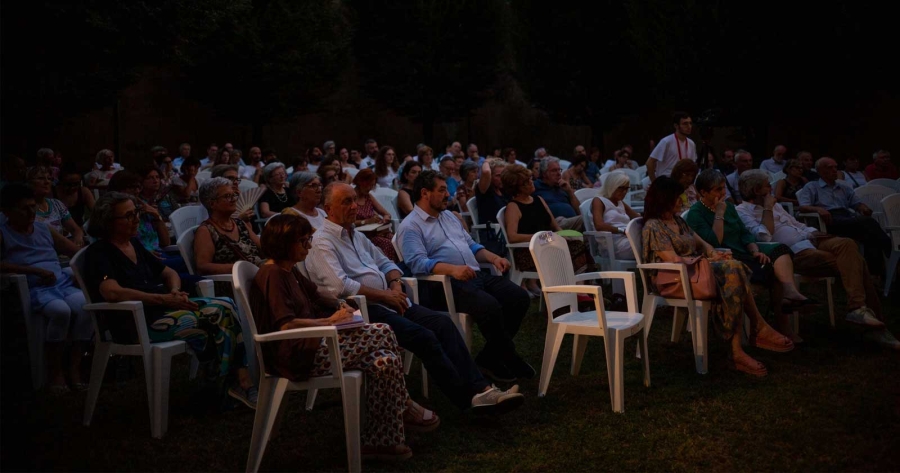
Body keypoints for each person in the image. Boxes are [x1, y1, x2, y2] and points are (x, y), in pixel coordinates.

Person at [307, 184, 524, 413]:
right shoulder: (323, 242)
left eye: (354, 200)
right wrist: (386, 295)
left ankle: (482, 388)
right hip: (361, 310)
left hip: (391, 299)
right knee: (424, 337)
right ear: (328, 208)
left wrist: (394, 283)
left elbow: (387, 263)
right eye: (346, 202)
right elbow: (341, 286)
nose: (354, 207)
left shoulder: (356, 236)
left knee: (443, 324)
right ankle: (468, 399)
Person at [252, 214, 441, 460]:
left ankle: (380, 441)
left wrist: (342, 305)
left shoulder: (289, 270)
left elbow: (318, 294)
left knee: (385, 360)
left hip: (313, 345)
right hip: (298, 354)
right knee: (382, 330)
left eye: (309, 239)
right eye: (303, 241)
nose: (309, 246)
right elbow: (285, 325)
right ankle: (404, 404)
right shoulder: (273, 275)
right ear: (283, 242)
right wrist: (329, 321)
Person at [84, 192, 256, 407]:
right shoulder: (99, 253)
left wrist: (174, 291)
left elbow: (168, 273)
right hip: (137, 322)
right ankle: (232, 383)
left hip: (161, 310)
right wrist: (163, 299)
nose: (137, 219)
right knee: (217, 316)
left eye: (136, 213)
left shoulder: (133, 245)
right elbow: (112, 292)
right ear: (107, 222)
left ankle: (228, 382)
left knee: (225, 304)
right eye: (128, 216)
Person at [642, 177, 793, 376]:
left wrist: (712, 253)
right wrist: (709, 262)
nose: (682, 200)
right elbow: (673, 260)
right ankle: (753, 333)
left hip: (694, 272)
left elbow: (703, 244)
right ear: (664, 198)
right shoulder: (654, 226)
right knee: (733, 271)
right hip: (673, 279)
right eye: (677, 197)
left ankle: (740, 347)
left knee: (734, 269)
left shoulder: (678, 221)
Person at [736, 170, 899, 348]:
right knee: (858, 264)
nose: (772, 187)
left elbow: (796, 223)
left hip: (810, 241)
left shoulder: (775, 205)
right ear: (757, 190)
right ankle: (865, 316)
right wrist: (767, 208)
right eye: (768, 184)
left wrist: (812, 232)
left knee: (846, 244)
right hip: (793, 254)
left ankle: (859, 310)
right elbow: (764, 237)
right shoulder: (742, 211)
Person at [398, 170, 533, 382]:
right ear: (425, 193)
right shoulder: (411, 225)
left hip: (474, 274)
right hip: (444, 285)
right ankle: (508, 357)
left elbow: (471, 245)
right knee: (490, 306)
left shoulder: (449, 216)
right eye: (442, 190)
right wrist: (452, 269)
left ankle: (490, 358)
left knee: (519, 298)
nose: (448, 195)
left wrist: (493, 257)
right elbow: (416, 263)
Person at [686, 169, 815, 339]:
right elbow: (714, 243)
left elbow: (744, 233)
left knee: (779, 249)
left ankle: (790, 295)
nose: (723, 193)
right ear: (703, 192)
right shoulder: (696, 213)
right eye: (718, 189)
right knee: (774, 273)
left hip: (744, 251)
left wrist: (754, 250)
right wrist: (719, 215)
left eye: (724, 188)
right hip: (725, 257)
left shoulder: (729, 207)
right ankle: (778, 326)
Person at [0, 183, 90, 393]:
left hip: (59, 281)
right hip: (35, 287)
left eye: (33, 207)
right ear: (7, 212)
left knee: (86, 307)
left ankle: (74, 368)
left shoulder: (42, 228)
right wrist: (33, 271)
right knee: (61, 311)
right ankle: (54, 372)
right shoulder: (4, 233)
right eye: (25, 208)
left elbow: (74, 252)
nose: (32, 212)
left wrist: (81, 271)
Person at [503, 165, 592, 296]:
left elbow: (555, 226)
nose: (531, 183)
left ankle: (580, 291)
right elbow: (512, 237)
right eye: (526, 182)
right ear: (517, 188)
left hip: (548, 242)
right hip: (529, 251)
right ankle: (579, 293)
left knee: (578, 244)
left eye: (530, 179)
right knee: (573, 249)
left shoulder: (538, 200)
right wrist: (542, 237)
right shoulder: (513, 207)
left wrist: (562, 235)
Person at [797, 157, 892, 276]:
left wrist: (863, 208)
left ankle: (874, 275)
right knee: (868, 223)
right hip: (829, 220)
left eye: (835, 167)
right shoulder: (812, 186)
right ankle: (889, 248)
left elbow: (856, 203)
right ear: (820, 171)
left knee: (870, 237)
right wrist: (818, 209)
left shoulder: (843, 187)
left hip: (847, 218)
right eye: (830, 168)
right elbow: (803, 207)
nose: (834, 170)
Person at [194, 177, 265, 283]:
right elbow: (202, 266)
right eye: (227, 196)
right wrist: (241, 268)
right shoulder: (206, 230)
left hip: (257, 274)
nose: (234, 199)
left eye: (234, 195)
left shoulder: (239, 223)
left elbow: (263, 248)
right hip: (235, 282)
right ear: (212, 204)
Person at [27, 166, 85, 247]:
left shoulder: (56, 204)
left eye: (49, 178)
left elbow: (75, 229)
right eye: (41, 178)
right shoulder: (24, 208)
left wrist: (77, 239)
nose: (47, 182)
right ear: (29, 182)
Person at [590, 171, 640, 260]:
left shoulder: (620, 202)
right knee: (650, 244)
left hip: (628, 239)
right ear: (612, 186)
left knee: (653, 241)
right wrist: (622, 231)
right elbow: (599, 225)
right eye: (621, 188)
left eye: (626, 189)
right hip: (613, 245)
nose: (624, 192)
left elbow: (637, 218)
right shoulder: (599, 201)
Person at [351, 169, 397, 260]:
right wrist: (366, 221)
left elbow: (386, 213)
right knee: (386, 243)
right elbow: (349, 222)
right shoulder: (351, 198)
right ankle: (388, 268)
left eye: (372, 185)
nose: (370, 188)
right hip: (362, 234)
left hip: (376, 230)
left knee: (395, 239)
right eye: (369, 185)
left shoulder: (368, 197)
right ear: (360, 182)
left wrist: (384, 219)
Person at [645, 111, 696, 187]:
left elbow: (692, 166)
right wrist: (655, 183)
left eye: (690, 123)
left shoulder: (691, 143)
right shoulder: (666, 141)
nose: (689, 126)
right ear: (676, 126)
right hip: (666, 183)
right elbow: (649, 163)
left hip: (683, 185)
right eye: (685, 123)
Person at [532, 157, 583, 230]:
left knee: (588, 217)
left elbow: (579, 211)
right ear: (544, 174)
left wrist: (569, 192)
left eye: (559, 170)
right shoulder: (535, 186)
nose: (559, 173)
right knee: (587, 219)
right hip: (556, 224)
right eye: (554, 170)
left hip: (573, 222)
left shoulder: (562, 187)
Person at [475, 159, 509, 255]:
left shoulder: (505, 191)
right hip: (496, 235)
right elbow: (486, 172)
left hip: (508, 231)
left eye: (504, 175)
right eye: (498, 176)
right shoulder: (485, 191)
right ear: (491, 177)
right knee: (543, 239)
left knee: (547, 236)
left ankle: (553, 236)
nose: (502, 178)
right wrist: (486, 161)